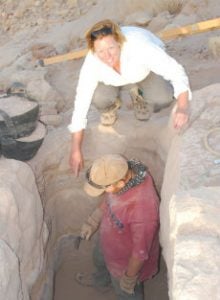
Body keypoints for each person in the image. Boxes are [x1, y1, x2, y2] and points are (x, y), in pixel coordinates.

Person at [68, 19, 192, 175]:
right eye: (100, 51)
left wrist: (182, 106)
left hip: (143, 72)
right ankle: (110, 107)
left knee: (163, 97)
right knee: (98, 97)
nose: (107, 56)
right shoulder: (92, 63)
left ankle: (139, 95)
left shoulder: (141, 48)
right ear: (94, 50)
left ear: (119, 43)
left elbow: (176, 72)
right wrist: (75, 149)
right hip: (113, 80)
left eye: (111, 48)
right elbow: (80, 104)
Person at [76, 154, 160, 300]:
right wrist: (93, 220)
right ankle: (101, 283)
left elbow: (140, 253)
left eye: (104, 189)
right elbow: (109, 199)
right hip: (109, 241)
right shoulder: (123, 172)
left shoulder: (143, 211)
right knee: (99, 260)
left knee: (126, 294)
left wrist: (128, 279)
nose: (103, 193)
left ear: (120, 183)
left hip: (125, 263)